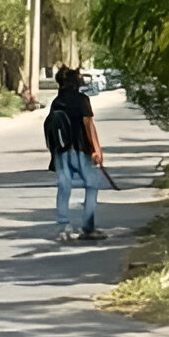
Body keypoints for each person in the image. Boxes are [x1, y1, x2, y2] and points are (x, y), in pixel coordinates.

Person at [44, 65, 107, 243]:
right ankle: (88, 227)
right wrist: (96, 149)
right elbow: (88, 125)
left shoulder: (57, 101)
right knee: (92, 185)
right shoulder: (82, 100)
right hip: (80, 149)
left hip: (61, 151)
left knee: (64, 187)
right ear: (75, 81)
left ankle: (63, 228)